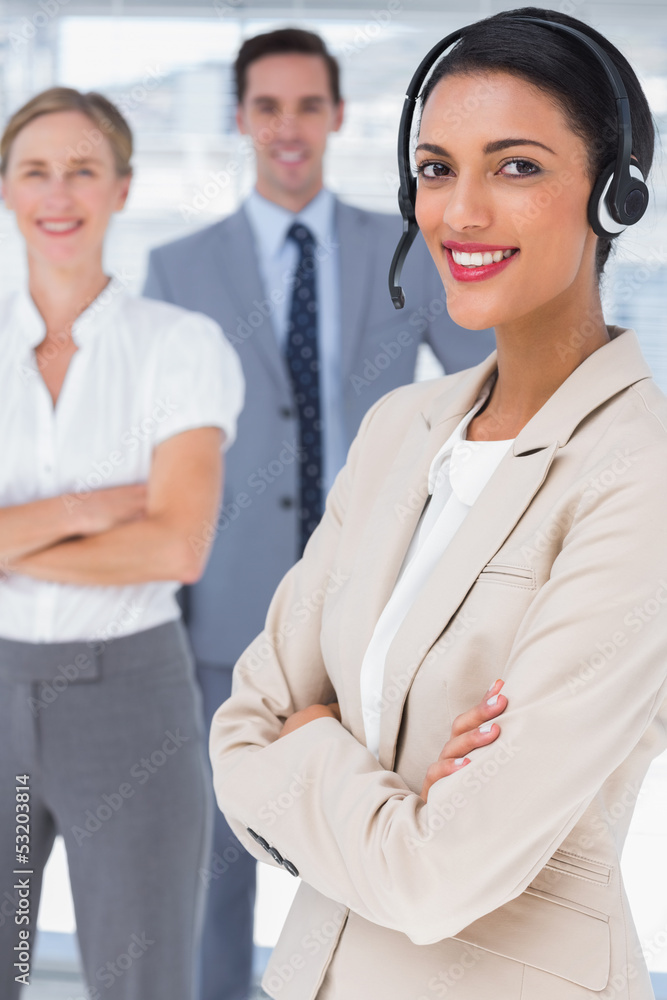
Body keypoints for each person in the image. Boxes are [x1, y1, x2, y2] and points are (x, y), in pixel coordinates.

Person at [209, 7, 667, 999]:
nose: (457, 213)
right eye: (433, 167)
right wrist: (389, 787)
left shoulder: (641, 477)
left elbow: (438, 879)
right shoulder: (400, 430)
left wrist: (314, 745)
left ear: (614, 196)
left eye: (515, 167)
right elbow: (239, 730)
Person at [143, 26, 494, 1000]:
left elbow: (491, 384)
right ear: (241, 118)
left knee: (370, 849)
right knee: (212, 865)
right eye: (267, 106)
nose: (287, 127)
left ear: (337, 116)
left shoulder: (406, 246)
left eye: (307, 105)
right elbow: (154, 443)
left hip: (377, 601)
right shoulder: (179, 269)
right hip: (222, 608)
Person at [0, 87, 243, 1000]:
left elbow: (176, 547)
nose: (59, 193)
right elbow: (143, 528)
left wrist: (13, 539)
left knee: (140, 980)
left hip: (128, 700)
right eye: (36, 171)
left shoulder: (180, 347)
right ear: (6, 191)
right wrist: (95, 507)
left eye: (83, 170)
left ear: (122, 188)